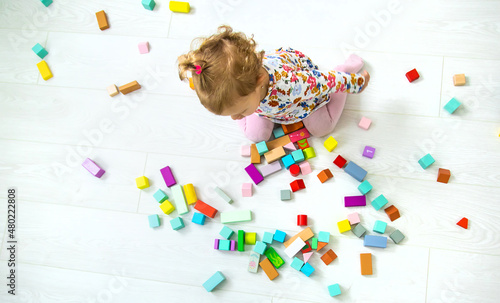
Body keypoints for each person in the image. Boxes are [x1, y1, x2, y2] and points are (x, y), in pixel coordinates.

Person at [177, 25, 370, 142]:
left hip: (302, 99)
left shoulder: (294, 85)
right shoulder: (225, 82)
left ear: (258, 82)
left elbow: (328, 81)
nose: (236, 118)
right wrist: (243, 108)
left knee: (322, 129)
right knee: (256, 136)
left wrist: (354, 82)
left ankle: (343, 68)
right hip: (267, 105)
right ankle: (258, 111)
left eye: (241, 112)